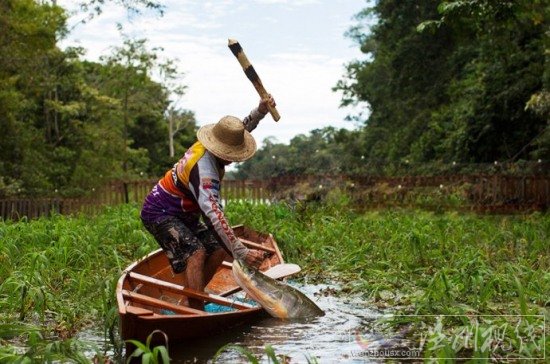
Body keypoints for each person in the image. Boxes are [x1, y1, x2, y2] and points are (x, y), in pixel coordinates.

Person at [140, 95, 276, 309]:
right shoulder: (205, 171)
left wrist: (260, 111)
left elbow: (239, 131)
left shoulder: (216, 143)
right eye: (230, 155)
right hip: (160, 211)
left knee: (219, 247)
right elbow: (214, 215)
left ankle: (192, 296)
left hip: (184, 213)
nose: (232, 159)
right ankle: (194, 307)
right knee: (196, 252)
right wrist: (241, 252)